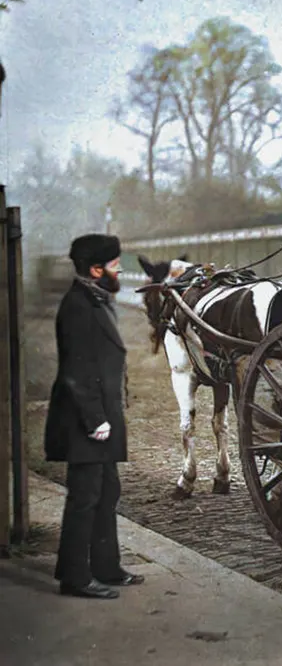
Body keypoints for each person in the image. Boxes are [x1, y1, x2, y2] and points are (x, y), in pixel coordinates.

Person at [44, 233, 144, 599]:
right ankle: (75, 577)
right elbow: (76, 370)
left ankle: (106, 567)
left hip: (100, 416)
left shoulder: (95, 299)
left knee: (106, 491)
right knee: (84, 496)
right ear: (96, 268)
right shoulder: (78, 306)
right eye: (115, 263)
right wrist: (95, 419)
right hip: (85, 421)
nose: (119, 268)